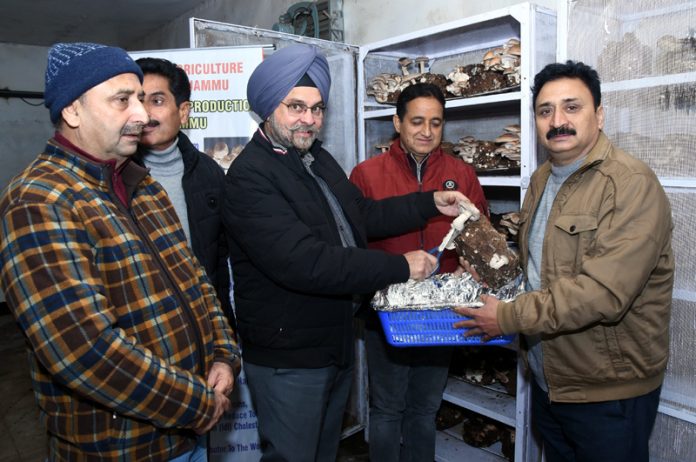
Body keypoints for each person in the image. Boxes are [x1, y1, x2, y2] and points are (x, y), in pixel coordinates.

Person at [222, 44, 471, 462]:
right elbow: (306, 262)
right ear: (268, 109)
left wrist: (430, 203)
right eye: (296, 107)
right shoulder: (250, 177)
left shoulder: (314, 158)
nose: (310, 119)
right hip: (290, 358)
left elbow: (362, 214)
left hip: (331, 345)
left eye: (317, 109)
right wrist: (398, 266)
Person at [0, 42, 241, 461]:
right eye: (122, 100)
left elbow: (198, 282)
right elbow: (82, 350)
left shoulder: (140, 183)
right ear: (73, 111)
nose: (143, 115)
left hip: (187, 435)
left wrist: (223, 353)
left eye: (143, 99)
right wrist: (196, 404)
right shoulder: (39, 200)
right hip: (122, 448)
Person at [455, 61, 674, 462]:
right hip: (548, 379)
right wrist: (492, 281)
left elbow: (604, 293)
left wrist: (506, 317)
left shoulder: (630, 184)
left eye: (572, 107)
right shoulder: (541, 180)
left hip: (607, 392)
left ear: (600, 115)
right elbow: (539, 268)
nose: (557, 121)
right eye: (545, 110)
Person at [349, 82, 489, 462]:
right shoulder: (367, 175)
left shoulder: (461, 174)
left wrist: (471, 262)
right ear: (397, 122)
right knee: (387, 408)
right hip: (387, 312)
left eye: (436, 122)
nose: (427, 131)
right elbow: (351, 242)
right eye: (416, 121)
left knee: (425, 408)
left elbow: (481, 235)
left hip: (441, 314)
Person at [135, 57, 234, 324]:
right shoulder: (114, 175)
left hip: (203, 320)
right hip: (141, 325)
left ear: (183, 111)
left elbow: (222, 261)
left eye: (156, 101)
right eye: (137, 100)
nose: (144, 113)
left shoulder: (209, 173)